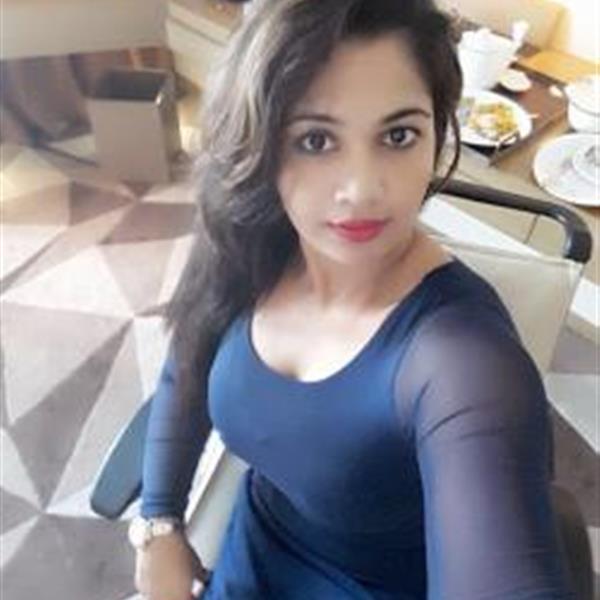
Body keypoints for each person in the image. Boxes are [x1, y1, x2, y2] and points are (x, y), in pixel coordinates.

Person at [132, 0, 576, 598]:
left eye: (398, 135)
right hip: (252, 556)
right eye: (315, 139)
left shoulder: (463, 362)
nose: (362, 189)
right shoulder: (250, 237)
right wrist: (159, 521)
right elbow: (186, 362)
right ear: (261, 143)